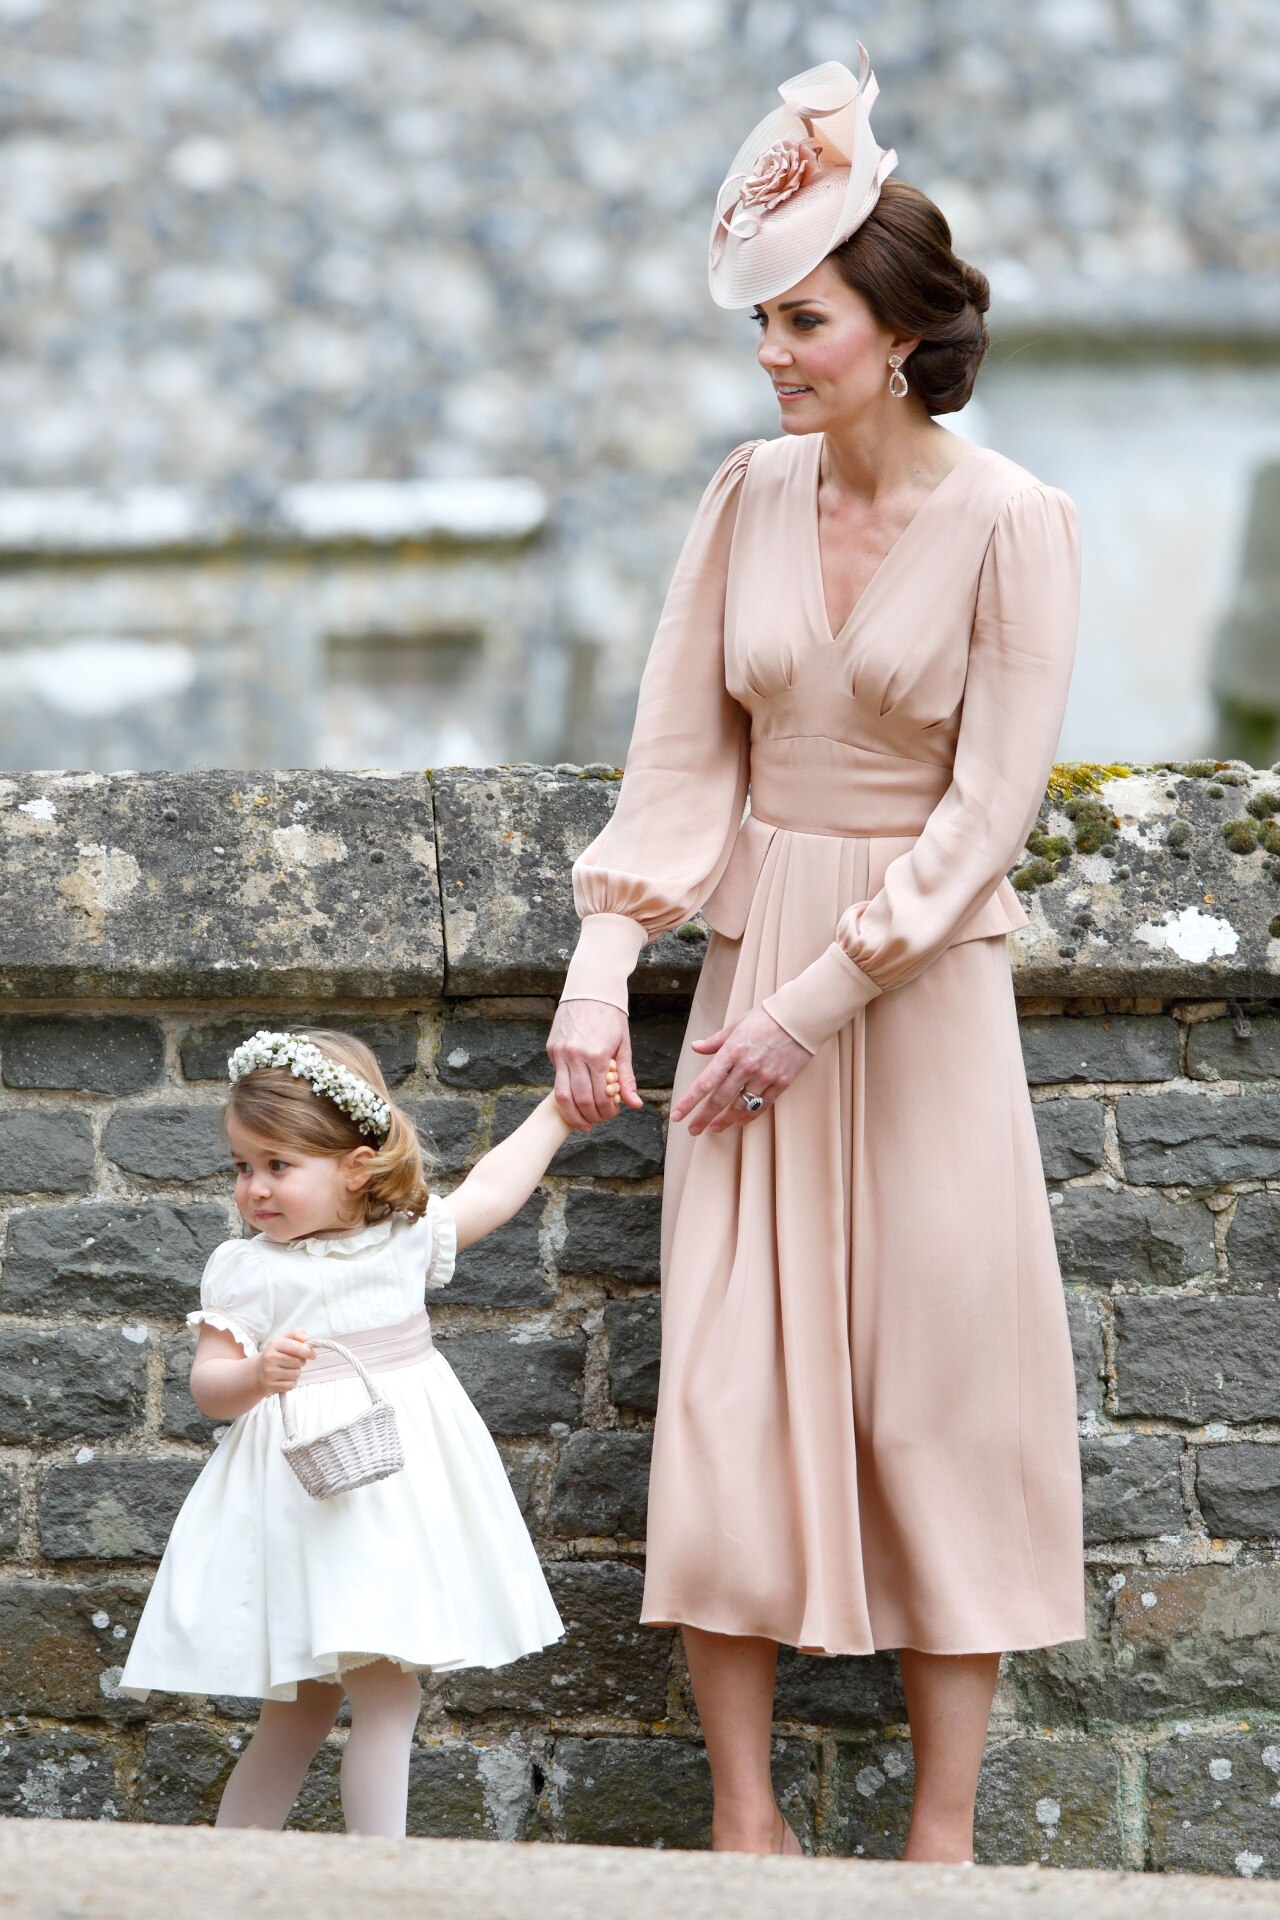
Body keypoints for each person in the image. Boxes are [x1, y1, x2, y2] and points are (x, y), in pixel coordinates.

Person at [547, 49, 1086, 1864]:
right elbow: (681, 756)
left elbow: (988, 809)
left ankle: (942, 1845)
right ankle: (746, 1826)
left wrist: (810, 1001)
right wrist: (598, 967)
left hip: (915, 996)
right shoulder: (742, 497)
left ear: (903, 329)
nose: (774, 353)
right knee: (730, 1374)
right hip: (752, 944)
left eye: (805, 320)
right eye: (765, 320)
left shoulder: (1017, 521)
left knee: (945, 1376)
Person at [120, 1027, 620, 1836]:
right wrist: (255, 1376)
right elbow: (210, 1387)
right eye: (244, 1167)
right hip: (300, 1501)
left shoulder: (404, 1239)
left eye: (279, 1166)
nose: (255, 1189)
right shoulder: (247, 1268)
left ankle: (343, 1873)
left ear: (356, 1165)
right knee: (306, 1709)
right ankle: (292, 1876)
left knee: (386, 1692)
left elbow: (494, 1188)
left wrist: (560, 1113)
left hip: (393, 1491)